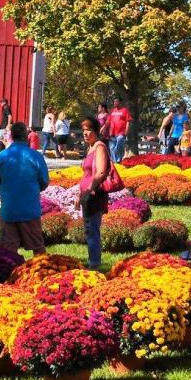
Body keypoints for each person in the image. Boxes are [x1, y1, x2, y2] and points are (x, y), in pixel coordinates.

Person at [0, 122, 50, 254]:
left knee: (7, 252)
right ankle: (42, 272)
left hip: (9, 210)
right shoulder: (35, 156)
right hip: (30, 210)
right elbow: (45, 181)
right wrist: (31, 190)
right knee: (38, 249)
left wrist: (6, 191)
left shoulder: (2, 156)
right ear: (26, 136)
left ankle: (7, 273)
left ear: (11, 135)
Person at [78, 116, 111, 270]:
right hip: (87, 195)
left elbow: (101, 172)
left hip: (94, 195)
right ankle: (93, 261)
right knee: (89, 230)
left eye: (89, 130)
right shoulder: (90, 147)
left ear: (96, 131)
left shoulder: (99, 147)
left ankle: (95, 265)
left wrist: (88, 190)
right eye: (83, 130)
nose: (85, 133)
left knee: (92, 230)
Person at [108, 98, 130, 162]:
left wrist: (127, 130)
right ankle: (116, 162)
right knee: (112, 147)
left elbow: (128, 121)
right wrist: (104, 128)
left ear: (120, 102)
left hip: (121, 133)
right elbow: (108, 121)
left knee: (119, 143)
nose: (115, 103)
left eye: (116, 101)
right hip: (112, 133)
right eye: (114, 101)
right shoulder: (112, 111)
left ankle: (118, 158)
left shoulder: (124, 110)